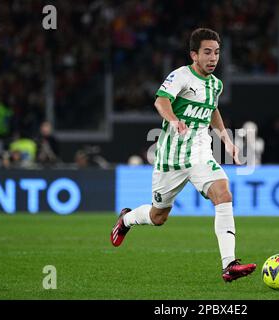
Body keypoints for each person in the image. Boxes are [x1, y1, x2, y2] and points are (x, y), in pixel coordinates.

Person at [110, 28, 256, 282]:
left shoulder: (215, 85)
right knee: (158, 217)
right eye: (207, 52)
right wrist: (175, 120)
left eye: (217, 53)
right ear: (194, 55)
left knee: (223, 193)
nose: (213, 58)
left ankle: (229, 264)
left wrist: (227, 141)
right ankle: (127, 219)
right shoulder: (181, 76)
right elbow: (161, 101)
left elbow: (212, 110)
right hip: (170, 157)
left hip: (200, 153)